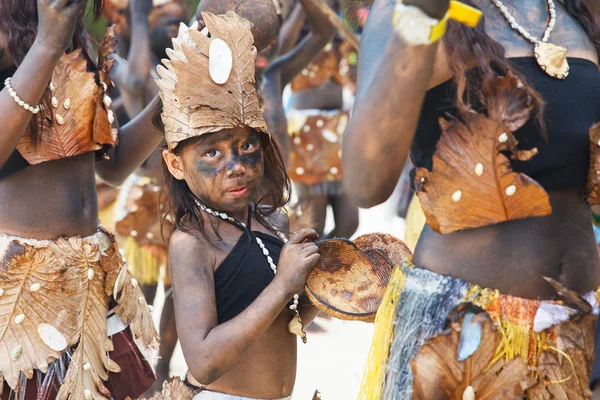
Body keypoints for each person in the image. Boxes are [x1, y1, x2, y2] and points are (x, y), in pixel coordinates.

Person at [343, 0, 600, 398]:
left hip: (577, 333)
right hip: (460, 337)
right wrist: (421, 19)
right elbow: (365, 183)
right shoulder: (405, 11)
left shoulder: (578, 11)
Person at [0, 0, 165, 398]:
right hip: (22, 286)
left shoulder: (74, 38)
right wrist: (45, 46)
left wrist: (174, 99)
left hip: (92, 278)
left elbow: (112, 166)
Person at [156, 12, 322, 399]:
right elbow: (203, 361)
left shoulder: (272, 219)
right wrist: (283, 285)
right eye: (212, 153)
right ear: (175, 164)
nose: (235, 168)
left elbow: (284, 320)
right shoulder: (193, 242)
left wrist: (321, 284)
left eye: (247, 147)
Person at [104, 0, 188, 394]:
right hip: (142, 200)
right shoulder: (132, 65)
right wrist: (137, 15)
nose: (176, 26)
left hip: (179, 196)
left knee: (176, 291)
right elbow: (136, 84)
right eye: (167, 21)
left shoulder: (183, 68)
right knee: (142, 296)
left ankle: (163, 365)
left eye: (181, 22)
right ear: (148, 26)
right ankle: (142, 366)